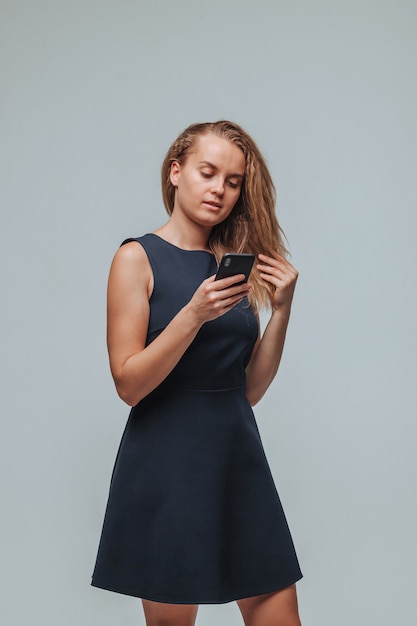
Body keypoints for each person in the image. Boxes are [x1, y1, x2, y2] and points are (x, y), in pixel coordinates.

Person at [92, 120, 303, 626]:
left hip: (237, 459)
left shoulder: (230, 264)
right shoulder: (136, 259)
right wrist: (193, 314)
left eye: (233, 182)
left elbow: (247, 390)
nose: (220, 190)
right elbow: (129, 384)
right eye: (208, 173)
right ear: (175, 172)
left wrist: (281, 311)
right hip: (168, 465)